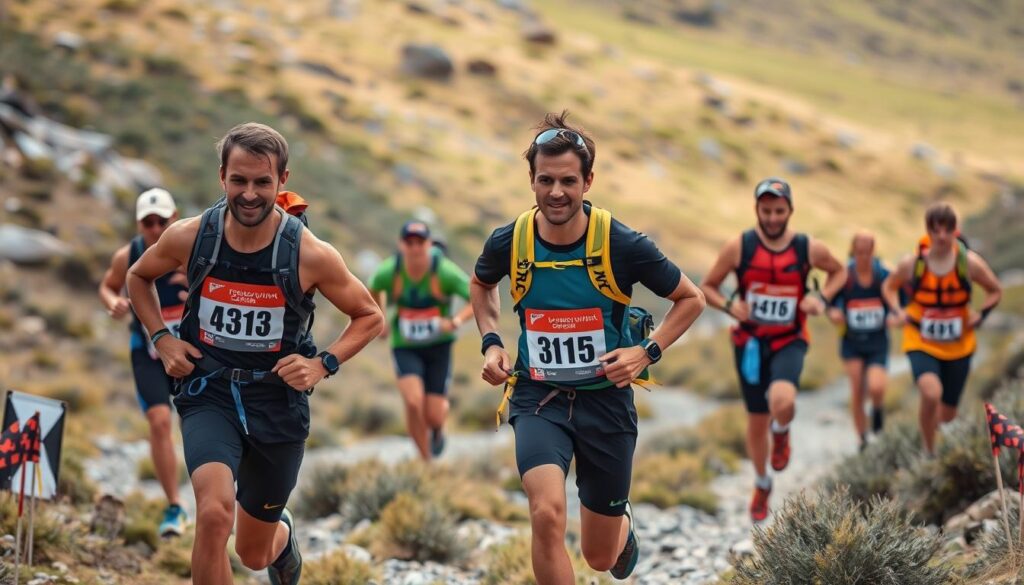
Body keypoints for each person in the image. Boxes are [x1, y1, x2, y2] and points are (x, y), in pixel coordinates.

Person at [127, 122, 384, 585]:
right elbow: (137, 277)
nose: (249, 194)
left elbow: (369, 316)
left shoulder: (309, 253)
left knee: (253, 553)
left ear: (282, 180)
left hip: (277, 405)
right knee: (212, 515)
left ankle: (281, 540)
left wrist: (322, 364)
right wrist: (162, 338)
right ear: (221, 177)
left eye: (262, 182)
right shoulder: (192, 236)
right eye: (238, 180)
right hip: (209, 392)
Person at [471, 112, 705, 583]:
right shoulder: (510, 240)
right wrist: (492, 343)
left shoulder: (623, 243)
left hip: (607, 404)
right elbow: (481, 285)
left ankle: (621, 529)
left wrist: (646, 352)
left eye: (568, 181)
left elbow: (691, 298)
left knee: (600, 557)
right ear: (532, 180)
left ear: (588, 181)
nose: (556, 192)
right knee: (545, 513)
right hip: (538, 397)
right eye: (546, 180)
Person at [699, 177, 846, 523]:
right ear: (757, 210)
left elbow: (839, 272)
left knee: (783, 401)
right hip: (749, 343)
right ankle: (762, 482)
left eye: (779, 211)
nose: (773, 218)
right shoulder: (739, 247)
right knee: (756, 420)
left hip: (789, 339)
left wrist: (821, 298)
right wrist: (730, 305)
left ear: (790, 210)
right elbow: (708, 286)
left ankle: (781, 432)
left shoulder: (808, 248)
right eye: (766, 211)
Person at [98, 187, 188, 537]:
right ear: (138, 224)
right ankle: (175, 506)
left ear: (174, 218)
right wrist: (114, 303)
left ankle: (219, 501)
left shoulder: (191, 248)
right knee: (159, 421)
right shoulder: (129, 255)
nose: (155, 229)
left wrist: (195, 282)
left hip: (189, 348)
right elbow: (108, 285)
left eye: (161, 221)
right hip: (148, 350)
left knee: (199, 420)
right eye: (147, 222)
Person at [882, 202, 1001, 454]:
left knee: (948, 415)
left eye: (947, 230)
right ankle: (929, 452)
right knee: (930, 392)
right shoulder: (913, 263)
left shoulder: (969, 263)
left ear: (955, 230)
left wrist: (981, 315)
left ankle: (932, 435)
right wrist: (897, 311)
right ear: (928, 231)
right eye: (936, 230)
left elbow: (995, 290)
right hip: (920, 340)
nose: (942, 236)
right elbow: (889, 287)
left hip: (960, 345)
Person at [368, 221, 473, 460]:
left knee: (434, 414)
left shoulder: (444, 271)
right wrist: (380, 318)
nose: (415, 248)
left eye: (420, 242)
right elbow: (373, 288)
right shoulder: (391, 271)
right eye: (410, 243)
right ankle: (425, 459)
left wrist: (455, 321)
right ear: (401, 245)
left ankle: (437, 429)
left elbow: (475, 298)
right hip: (405, 345)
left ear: (429, 244)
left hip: (439, 346)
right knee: (413, 402)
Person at [827, 231, 897, 450]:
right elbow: (829, 300)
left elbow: (898, 300)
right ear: (853, 251)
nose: (863, 257)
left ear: (873, 251)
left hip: (877, 342)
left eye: (867, 252)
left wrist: (895, 315)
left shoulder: (884, 274)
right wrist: (833, 313)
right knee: (857, 389)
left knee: (876, 387)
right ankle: (862, 439)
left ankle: (877, 410)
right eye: (859, 252)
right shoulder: (844, 276)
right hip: (852, 342)